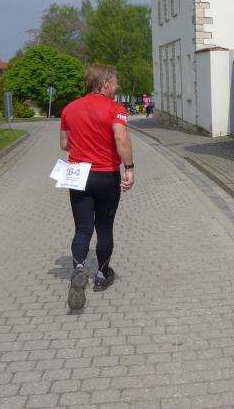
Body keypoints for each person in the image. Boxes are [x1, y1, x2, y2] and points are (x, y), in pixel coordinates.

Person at [60, 63, 135, 310]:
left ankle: (79, 268)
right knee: (104, 227)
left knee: (83, 228)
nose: (117, 87)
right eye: (115, 83)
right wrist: (129, 167)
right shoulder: (115, 109)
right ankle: (102, 275)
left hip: (77, 174)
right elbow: (121, 136)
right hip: (105, 175)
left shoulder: (69, 109)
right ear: (105, 84)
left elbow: (64, 144)